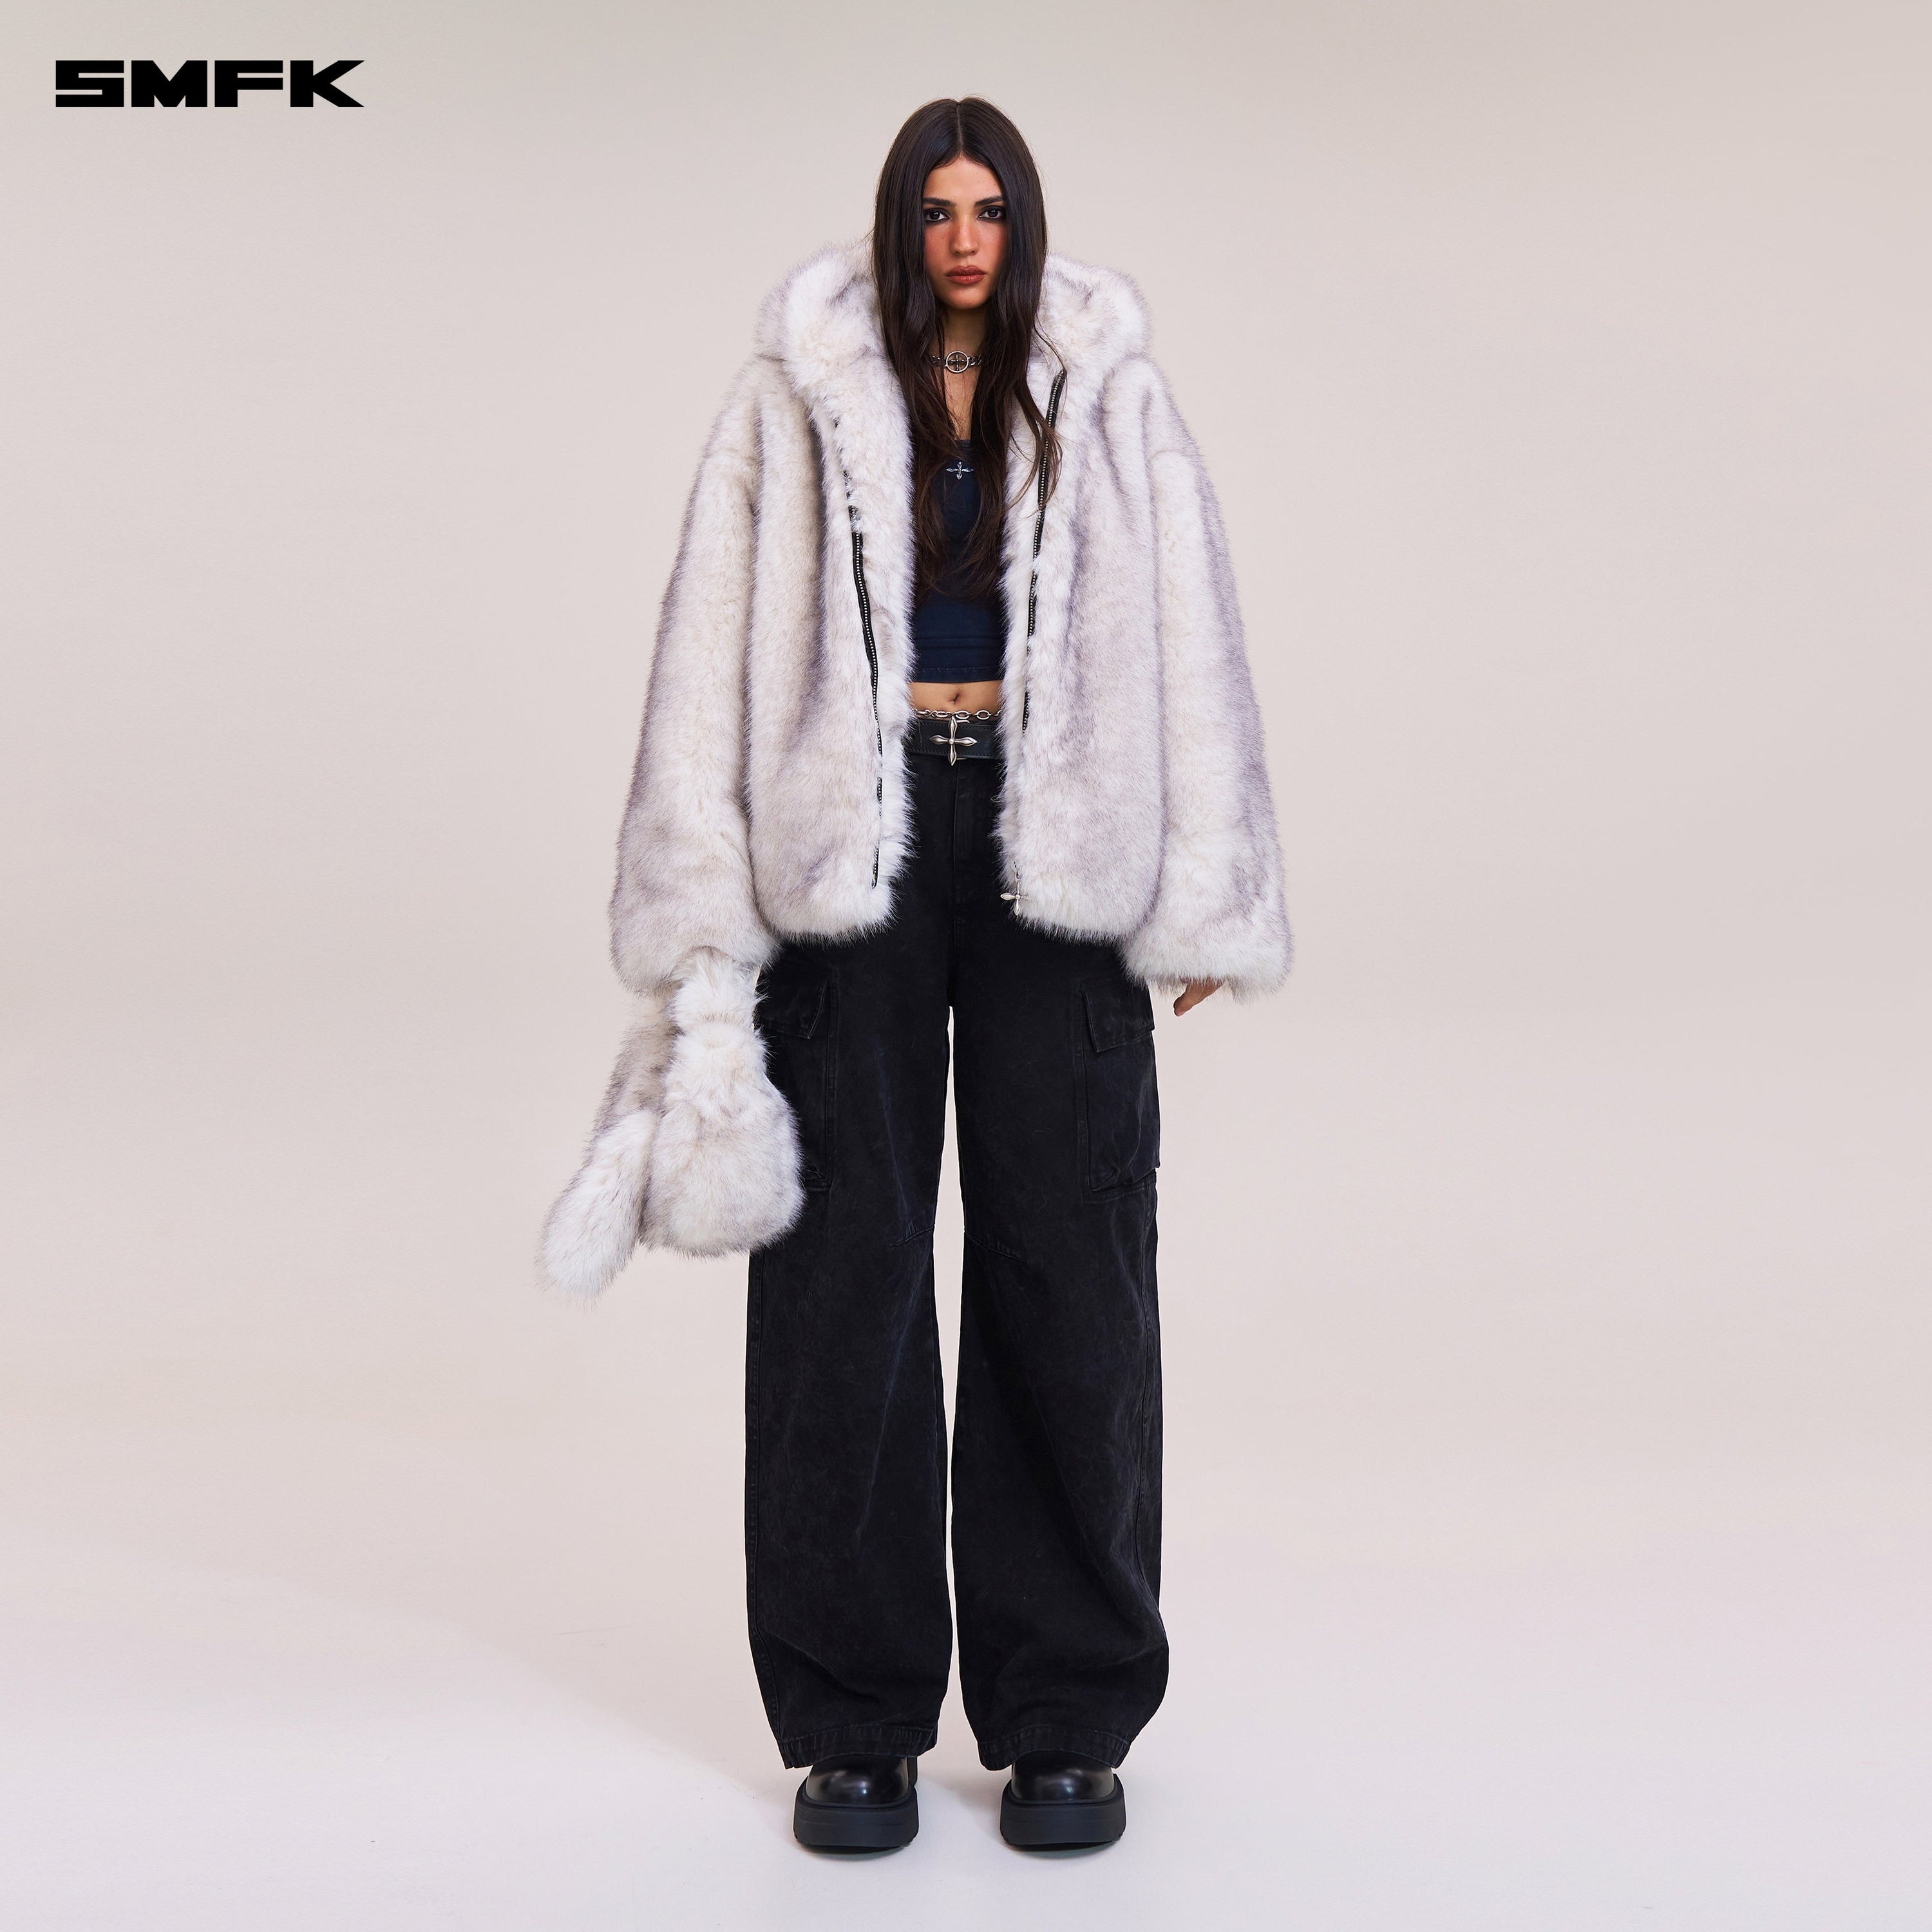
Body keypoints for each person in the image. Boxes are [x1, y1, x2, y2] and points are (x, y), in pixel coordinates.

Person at [540, 97, 1292, 1853]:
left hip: (1058, 850)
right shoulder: (793, 399)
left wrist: (1207, 889)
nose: (964, 238)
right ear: (901, 224)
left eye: (990, 209)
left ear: (1024, 222)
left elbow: (1193, 629)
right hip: (850, 861)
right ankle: (855, 1722)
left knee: (1071, 1271)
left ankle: (1067, 1720)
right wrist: (701, 906)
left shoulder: (1106, 391)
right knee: (841, 1284)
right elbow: (705, 653)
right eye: (937, 210)